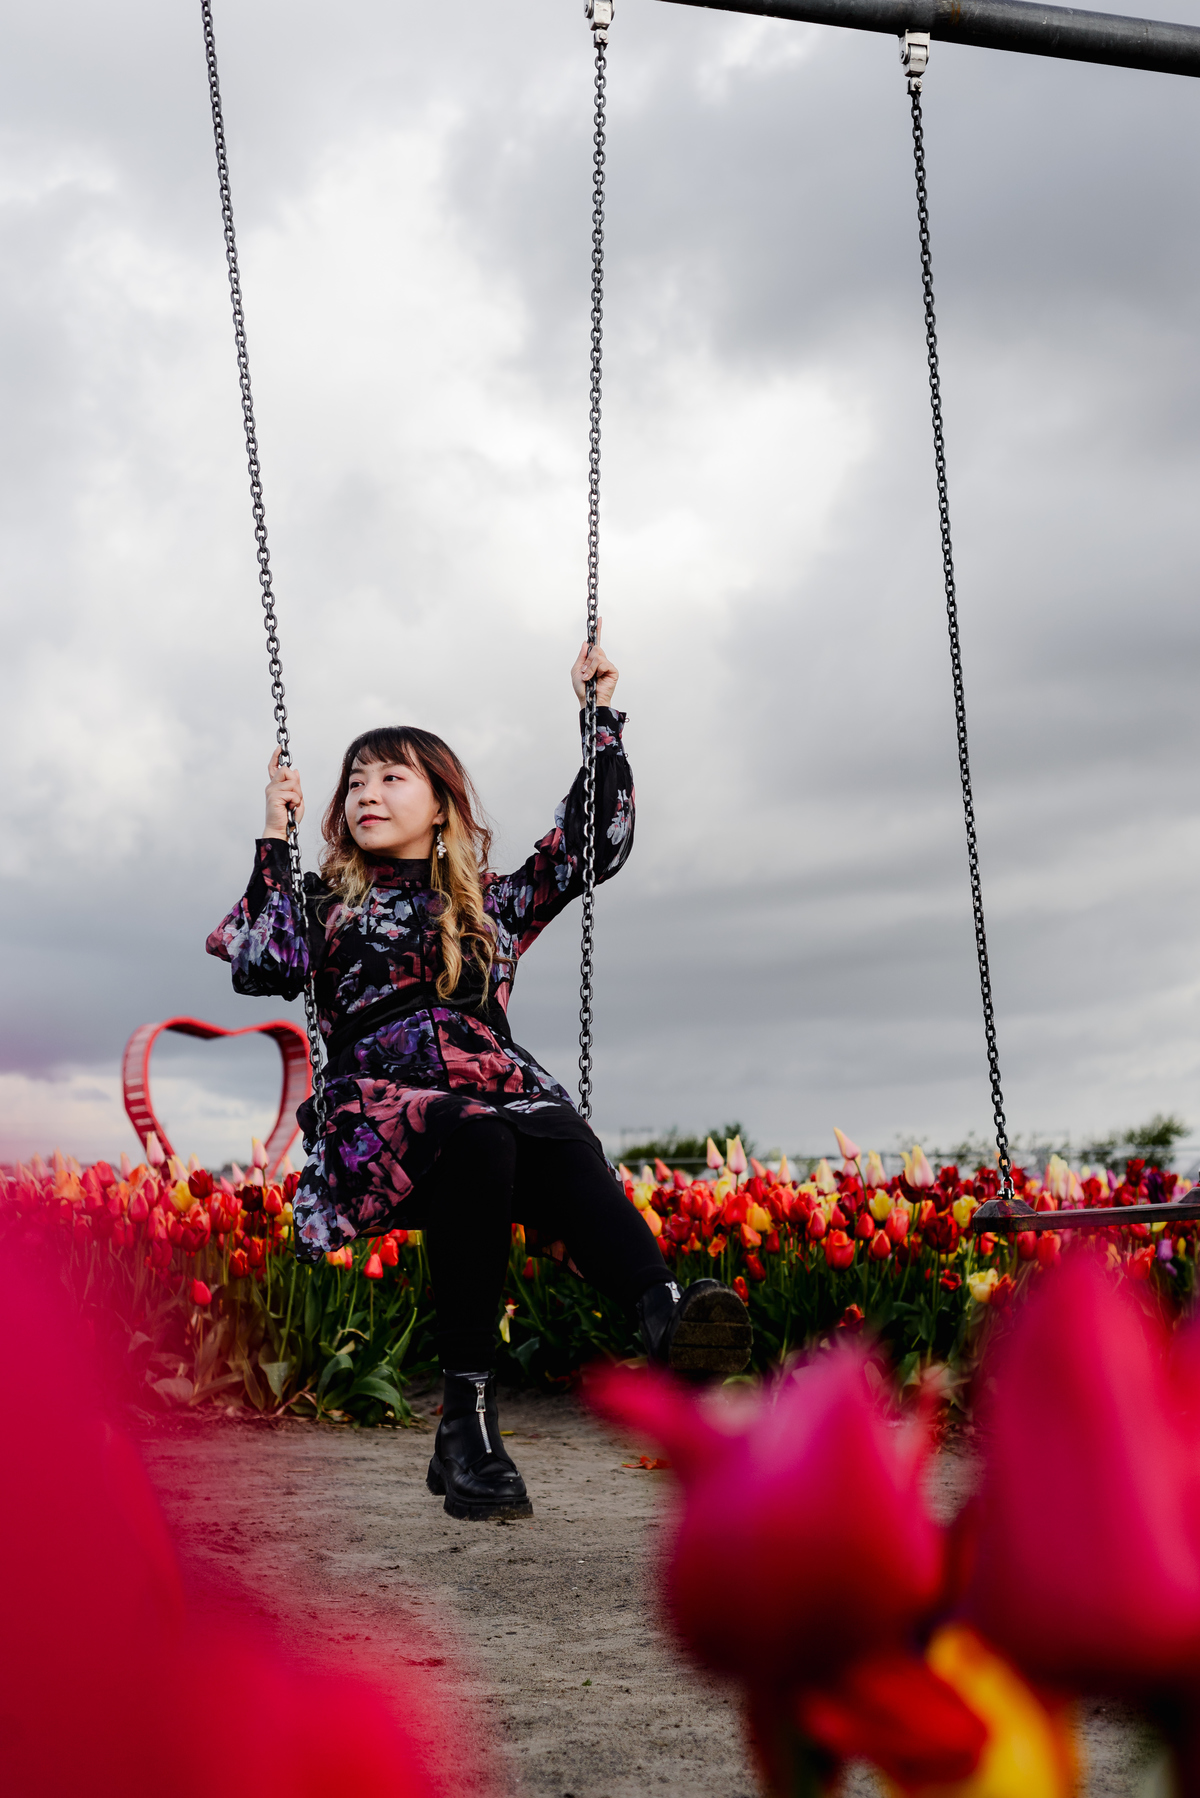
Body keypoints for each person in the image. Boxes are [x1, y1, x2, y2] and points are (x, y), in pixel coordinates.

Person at [206, 628, 751, 1520]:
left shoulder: (488, 906)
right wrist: (275, 831)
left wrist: (601, 716)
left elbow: (594, 843)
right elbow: (261, 962)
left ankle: (662, 1314)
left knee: (549, 1129)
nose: (366, 793)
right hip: (382, 1115)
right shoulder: (324, 906)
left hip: (490, 1105)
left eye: (391, 777)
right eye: (355, 781)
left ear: (442, 803)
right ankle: (469, 1423)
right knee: (483, 1128)